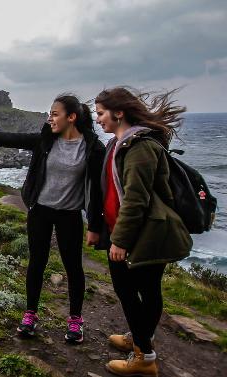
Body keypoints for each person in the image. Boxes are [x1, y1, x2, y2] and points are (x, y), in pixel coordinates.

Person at [0, 94, 106, 344]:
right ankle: (30, 314)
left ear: (71, 117)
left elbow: (99, 189)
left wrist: (96, 226)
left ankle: (75, 319)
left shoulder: (94, 148)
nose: (49, 118)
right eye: (49, 113)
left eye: (55, 114)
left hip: (70, 215)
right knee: (37, 262)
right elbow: (9, 139)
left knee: (73, 267)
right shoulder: (45, 141)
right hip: (40, 210)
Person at [94, 87, 192, 376]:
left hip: (144, 234)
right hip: (133, 230)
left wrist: (120, 241)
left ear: (118, 112)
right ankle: (140, 339)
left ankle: (145, 358)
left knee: (131, 291)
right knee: (145, 291)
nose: (98, 119)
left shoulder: (139, 146)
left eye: (100, 113)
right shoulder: (122, 142)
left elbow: (137, 198)